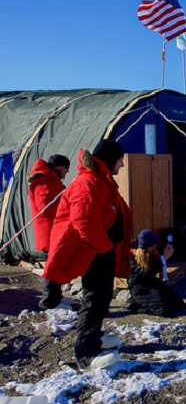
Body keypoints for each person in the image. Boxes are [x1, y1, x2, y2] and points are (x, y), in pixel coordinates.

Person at [42, 139, 132, 371]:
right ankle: (86, 352)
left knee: (101, 298)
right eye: (120, 160)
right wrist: (103, 248)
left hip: (100, 251)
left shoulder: (100, 179)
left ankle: (95, 337)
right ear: (111, 159)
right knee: (94, 299)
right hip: (93, 252)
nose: (122, 165)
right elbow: (84, 222)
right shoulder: (89, 182)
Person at [27, 154, 70, 310]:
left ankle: (56, 296)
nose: (67, 172)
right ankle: (49, 301)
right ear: (57, 166)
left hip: (55, 231)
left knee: (57, 264)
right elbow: (45, 207)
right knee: (53, 266)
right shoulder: (43, 183)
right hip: (50, 232)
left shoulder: (50, 181)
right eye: (66, 168)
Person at [128, 230, 184, 316]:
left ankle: (147, 302)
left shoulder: (152, 253)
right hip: (141, 290)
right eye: (152, 245)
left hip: (152, 285)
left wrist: (165, 256)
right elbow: (146, 273)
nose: (155, 246)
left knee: (178, 302)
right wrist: (164, 258)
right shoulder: (134, 259)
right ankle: (137, 306)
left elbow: (156, 267)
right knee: (165, 309)